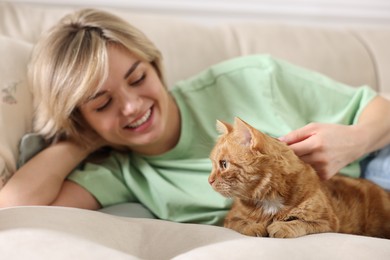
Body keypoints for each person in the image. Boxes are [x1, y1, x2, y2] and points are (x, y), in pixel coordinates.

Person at [0, 9, 389, 225]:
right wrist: (81, 137)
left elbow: (381, 110)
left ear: (154, 65)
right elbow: (12, 209)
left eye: (138, 77)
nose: (133, 106)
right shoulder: (120, 173)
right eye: (102, 103)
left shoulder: (252, 77)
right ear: (81, 118)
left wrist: (354, 139)